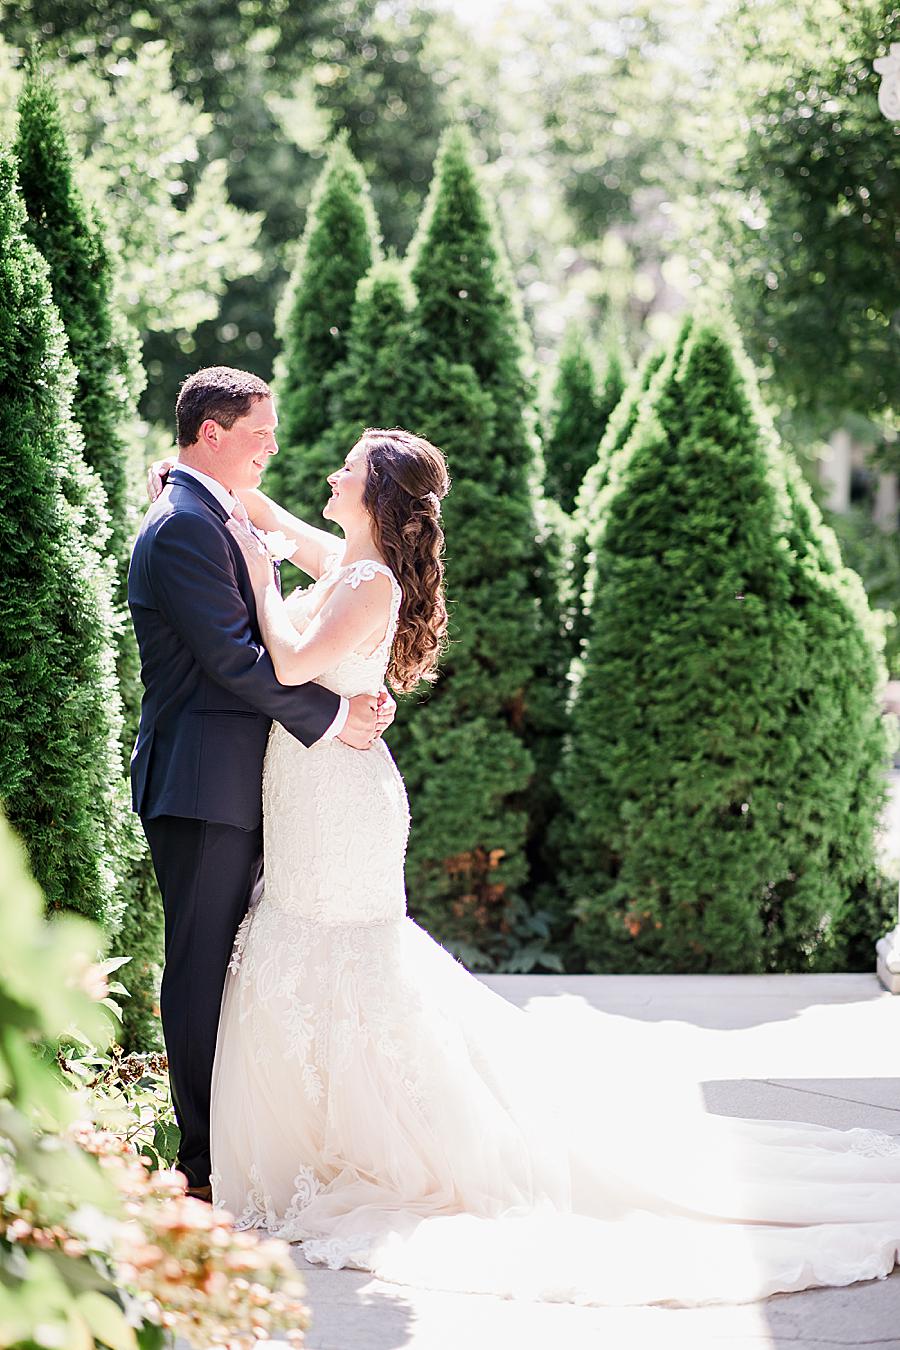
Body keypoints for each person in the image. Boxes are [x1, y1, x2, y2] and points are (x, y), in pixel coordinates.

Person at [208, 424, 900, 1307]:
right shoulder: (349, 561)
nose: (331, 476)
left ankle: (391, 1144)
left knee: (350, 958)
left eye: (348, 469)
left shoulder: (369, 582)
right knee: (315, 952)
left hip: (341, 800)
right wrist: (231, 499)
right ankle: (328, 1136)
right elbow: (290, 530)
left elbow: (296, 659)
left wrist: (262, 580)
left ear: (376, 497)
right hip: (311, 788)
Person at [129, 366, 394, 1201]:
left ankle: (243, 1145)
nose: (273, 448)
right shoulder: (183, 527)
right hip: (203, 787)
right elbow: (234, 660)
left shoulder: (214, 511)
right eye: (257, 433)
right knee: (202, 970)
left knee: (239, 967)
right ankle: (204, 1165)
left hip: (245, 786)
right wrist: (331, 715)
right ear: (210, 433)